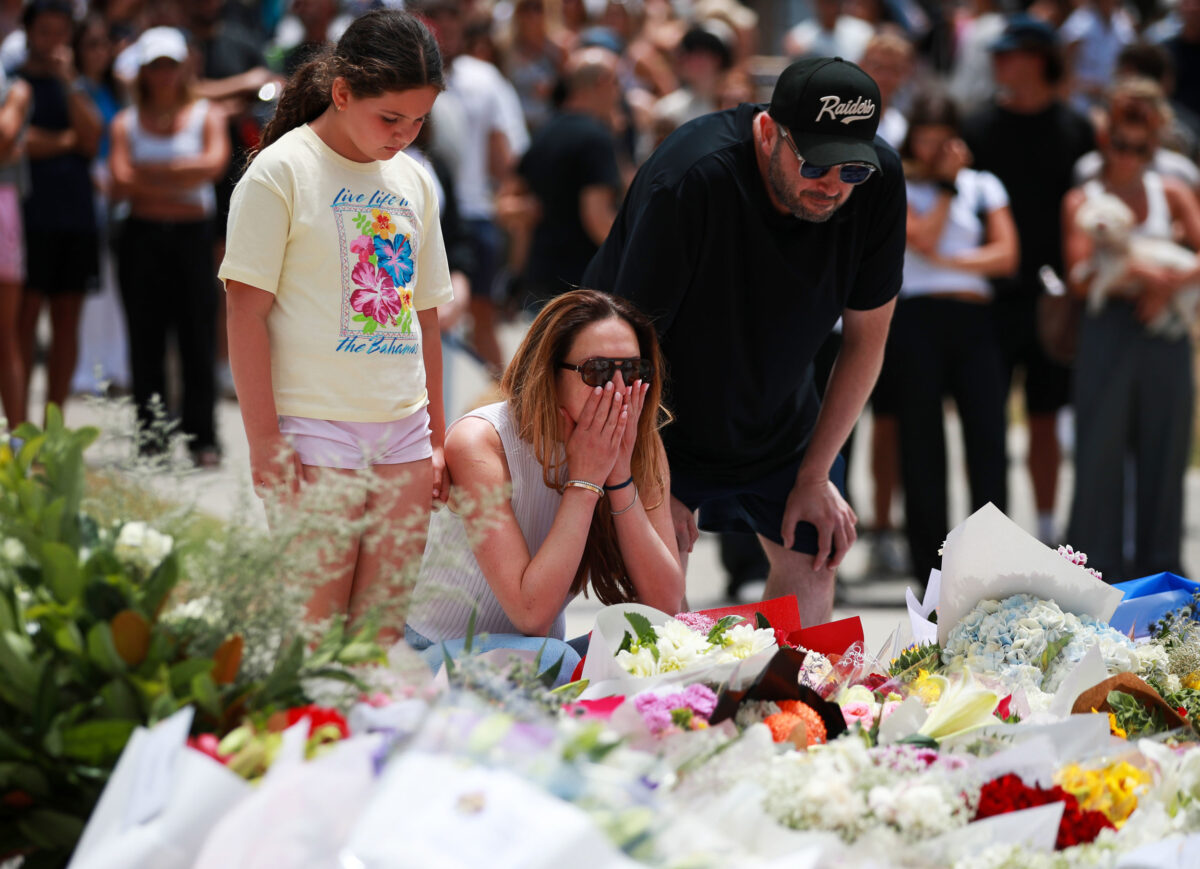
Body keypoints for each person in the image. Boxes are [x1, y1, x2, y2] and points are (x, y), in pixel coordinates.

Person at [584, 57, 905, 626]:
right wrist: (649, 479)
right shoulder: (691, 177)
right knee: (660, 599)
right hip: (658, 417)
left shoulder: (877, 184)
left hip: (778, 416)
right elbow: (622, 351)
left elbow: (866, 342)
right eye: (815, 164)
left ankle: (786, 686)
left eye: (851, 169)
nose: (832, 185)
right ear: (767, 132)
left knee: (815, 561)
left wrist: (815, 475)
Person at [219, 10, 453, 634]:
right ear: (342, 92)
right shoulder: (280, 172)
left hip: (405, 434)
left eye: (419, 120)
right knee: (315, 636)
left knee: (377, 638)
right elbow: (244, 312)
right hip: (312, 430)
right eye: (390, 117)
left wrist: (435, 437)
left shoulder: (415, 180)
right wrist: (265, 440)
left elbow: (426, 317)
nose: (404, 135)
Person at [405, 289, 685, 680]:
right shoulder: (481, 441)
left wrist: (619, 475)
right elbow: (531, 614)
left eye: (635, 372)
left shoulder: (641, 445)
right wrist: (586, 481)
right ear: (550, 373)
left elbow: (666, 607)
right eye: (599, 372)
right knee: (556, 659)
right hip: (432, 654)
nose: (619, 390)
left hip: (537, 657)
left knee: (656, 641)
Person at [962, 14, 1095, 546]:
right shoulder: (975, 126)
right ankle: (987, 536)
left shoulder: (1076, 128)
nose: (998, 62)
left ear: (1040, 59)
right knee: (985, 421)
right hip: (988, 298)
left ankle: (1045, 529)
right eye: (995, 53)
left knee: (1046, 416)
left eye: (1008, 53)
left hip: (1052, 298)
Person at [1063, 79, 1200, 581]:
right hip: (1108, 326)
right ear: (1105, 138)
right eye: (1121, 143)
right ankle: (1093, 572)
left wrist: (1167, 286)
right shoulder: (1083, 197)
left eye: (1141, 148)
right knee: (1099, 449)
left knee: (1167, 448)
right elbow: (1079, 276)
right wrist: (1145, 274)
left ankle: (1162, 572)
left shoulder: (1173, 191)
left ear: (1155, 143)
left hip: (1167, 328)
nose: (1129, 156)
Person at [893, 88, 1017, 585]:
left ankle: (992, 562)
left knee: (987, 437)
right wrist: (945, 187)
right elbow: (919, 237)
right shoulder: (901, 184)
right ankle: (930, 564)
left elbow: (1006, 255)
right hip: (917, 319)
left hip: (974, 319)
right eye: (926, 140)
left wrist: (949, 261)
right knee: (921, 443)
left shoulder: (983, 185)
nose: (934, 150)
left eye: (943, 140)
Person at [109, 26, 229, 464]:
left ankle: (203, 437)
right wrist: (181, 175)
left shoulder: (206, 115)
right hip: (142, 238)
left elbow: (213, 165)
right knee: (146, 339)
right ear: (144, 71)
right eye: (156, 66)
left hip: (191, 238)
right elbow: (120, 179)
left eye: (170, 66)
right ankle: (152, 436)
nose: (164, 75)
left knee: (197, 337)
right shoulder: (126, 121)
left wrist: (151, 174)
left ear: (184, 68)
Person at [16, 0, 103, 425]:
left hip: (76, 217)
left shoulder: (77, 84)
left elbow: (92, 138)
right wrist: (66, 141)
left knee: (67, 321)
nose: (53, 41)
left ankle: (53, 428)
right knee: (24, 321)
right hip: (27, 216)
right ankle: (19, 427)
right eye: (45, 31)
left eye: (61, 32)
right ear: (28, 32)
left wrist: (69, 81)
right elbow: (18, 141)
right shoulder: (14, 81)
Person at [509, 45, 622, 309]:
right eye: (617, 83)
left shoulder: (544, 132)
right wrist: (630, 257)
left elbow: (511, 199)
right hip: (582, 285)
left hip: (541, 279)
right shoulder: (596, 139)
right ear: (602, 82)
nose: (619, 93)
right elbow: (597, 217)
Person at [0, 68, 28, 432]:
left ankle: (18, 446)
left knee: (5, 336)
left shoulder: (16, 88)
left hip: (4, 211)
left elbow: (6, 137)